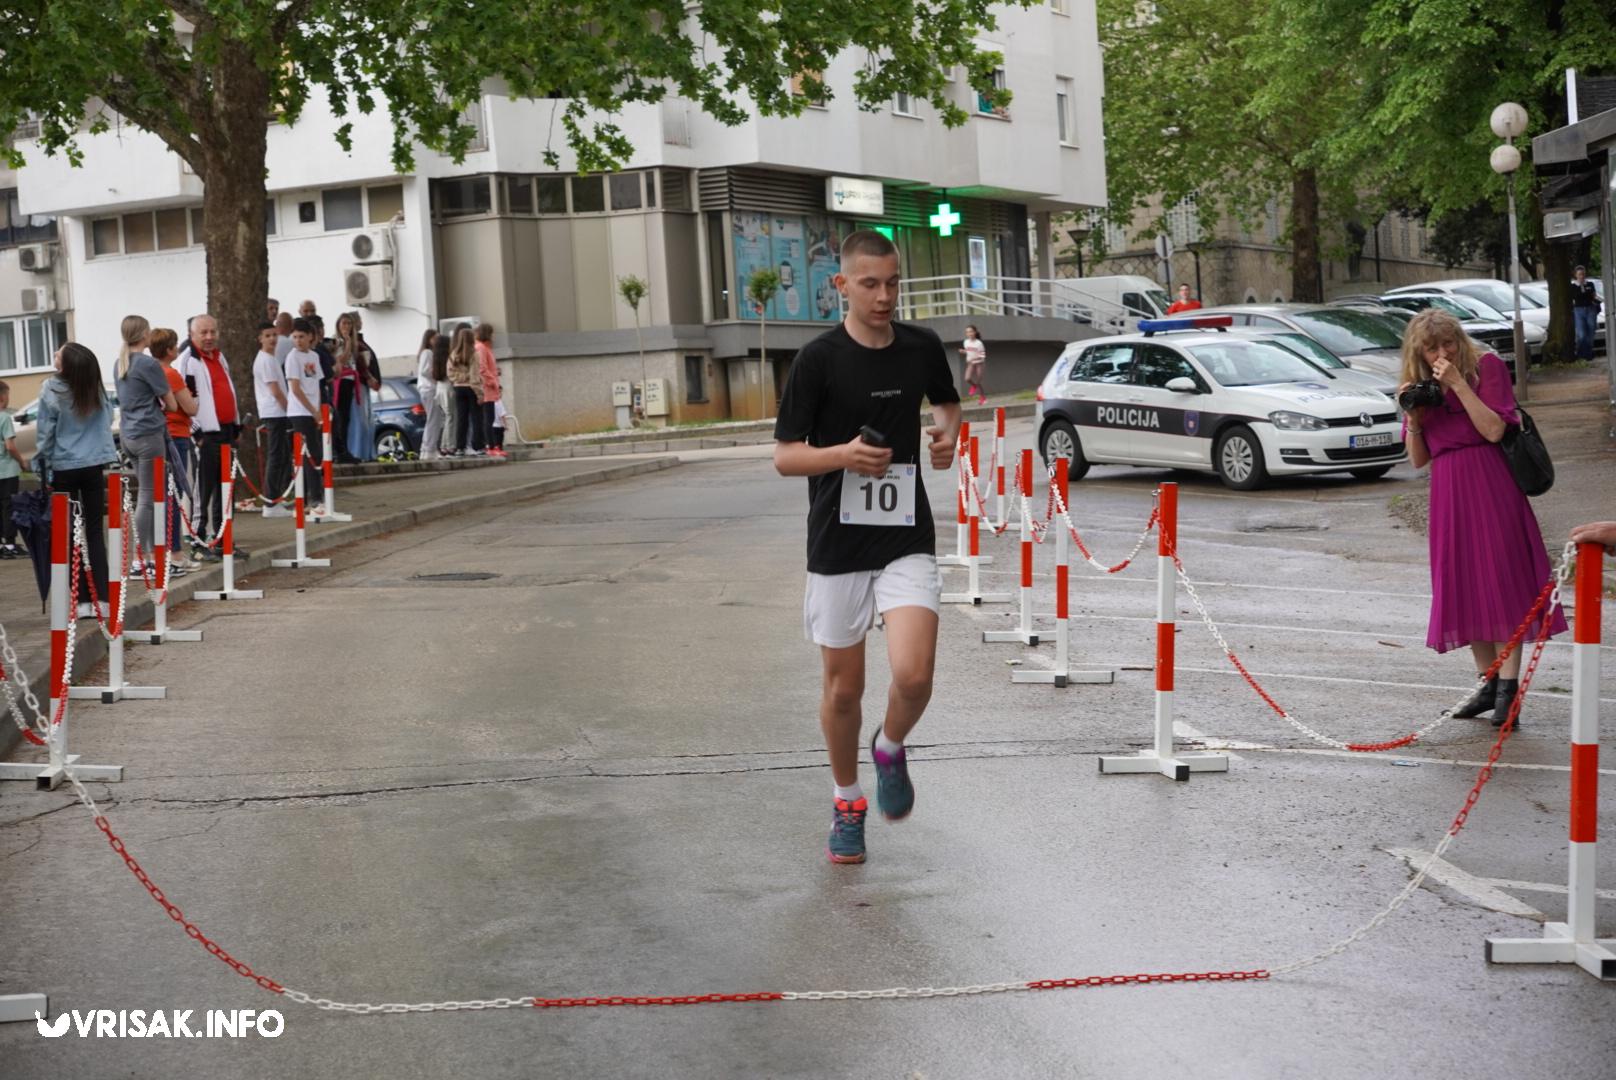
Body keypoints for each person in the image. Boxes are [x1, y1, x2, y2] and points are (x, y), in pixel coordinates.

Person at [772, 228, 961, 865]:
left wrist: (944, 438)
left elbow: (947, 405)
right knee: (844, 689)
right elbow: (785, 457)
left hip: (906, 532)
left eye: (893, 283)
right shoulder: (818, 360)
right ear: (841, 285)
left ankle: (890, 747)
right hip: (836, 540)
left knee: (913, 675)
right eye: (870, 284)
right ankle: (847, 799)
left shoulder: (921, 347)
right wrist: (843, 455)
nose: (884, 297)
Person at [1400, 308, 1566, 728]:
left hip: (1492, 483)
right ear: (1419, 352)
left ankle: (1508, 694)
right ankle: (1485, 686)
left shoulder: (1486, 368)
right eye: (1433, 347)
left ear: (1459, 339)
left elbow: (1494, 430)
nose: (1443, 352)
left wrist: (1458, 384)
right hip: (1449, 490)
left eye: (1448, 343)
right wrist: (1414, 418)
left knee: (1501, 579)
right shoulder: (1421, 388)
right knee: (1466, 584)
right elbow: (1419, 460)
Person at [34, 343, 119, 611]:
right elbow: (107, 418)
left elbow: (46, 432)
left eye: (59, 353)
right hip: (93, 465)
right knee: (94, 532)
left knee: (70, 533)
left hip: (63, 468)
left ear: (65, 364)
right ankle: (103, 599)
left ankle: (80, 601)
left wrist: (43, 467)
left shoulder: (51, 388)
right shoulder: (93, 386)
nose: (55, 355)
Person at [114, 315, 183, 577]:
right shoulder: (147, 364)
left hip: (129, 434)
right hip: (149, 434)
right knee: (148, 497)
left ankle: (146, 556)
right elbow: (172, 404)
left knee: (145, 495)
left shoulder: (118, 363)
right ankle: (144, 558)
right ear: (144, 335)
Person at [175, 313, 240, 560]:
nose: (209, 337)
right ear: (192, 335)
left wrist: (235, 425)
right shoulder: (188, 361)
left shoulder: (219, 357)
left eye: (213, 331)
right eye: (203, 332)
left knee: (226, 490)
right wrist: (197, 433)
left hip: (225, 431)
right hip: (205, 435)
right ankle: (199, 542)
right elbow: (183, 401)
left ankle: (224, 540)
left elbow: (226, 390)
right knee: (204, 490)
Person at [149, 329, 199, 576]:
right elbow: (189, 407)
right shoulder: (171, 374)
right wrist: (197, 400)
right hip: (177, 435)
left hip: (155, 435)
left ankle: (158, 550)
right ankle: (176, 552)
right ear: (170, 349)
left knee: (158, 494)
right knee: (175, 494)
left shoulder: (149, 371)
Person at [282, 318, 325, 512]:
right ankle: (313, 497)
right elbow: (296, 389)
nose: (298, 341)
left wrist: (321, 409)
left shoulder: (314, 357)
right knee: (310, 454)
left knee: (314, 453)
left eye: (302, 337)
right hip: (301, 411)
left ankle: (310, 495)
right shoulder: (292, 358)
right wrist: (313, 411)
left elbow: (317, 383)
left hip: (313, 411)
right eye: (295, 337)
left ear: (310, 337)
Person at [252, 321, 293, 518]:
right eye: (267, 336)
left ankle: (278, 496)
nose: (272, 339)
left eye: (274, 335)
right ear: (260, 339)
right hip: (274, 412)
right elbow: (275, 391)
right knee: (276, 456)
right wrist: (289, 409)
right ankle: (270, 501)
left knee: (283, 455)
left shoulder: (271, 358)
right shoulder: (266, 361)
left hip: (277, 413)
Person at [332, 311, 380, 463]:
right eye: (344, 323)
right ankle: (340, 451)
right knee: (340, 416)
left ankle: (346, 450)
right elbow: (341, 359)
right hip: (341, 380)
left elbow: (357, 361)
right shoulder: (337, 341)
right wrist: (346, 342)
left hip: (352, 380)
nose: (346, 326)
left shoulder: (354, 343)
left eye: (349, 324)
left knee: (346, 418)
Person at [447, 325, 485, 456]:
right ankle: (478, 446)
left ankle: (460, 447)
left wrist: (459, 378)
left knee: (461, 418)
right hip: (470, 388)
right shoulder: (473, 354)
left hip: (458, 388)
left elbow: (450, 374)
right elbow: (475, 376)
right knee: (476, 418)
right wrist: (479, 393)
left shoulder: (453, 354)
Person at [0, 379, 24, 560]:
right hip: (7, 470)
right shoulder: (4, 418)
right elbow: (10, 446)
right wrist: (22, 462)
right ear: (3, 397)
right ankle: (10, 543)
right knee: (9, 506)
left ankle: (1, 544)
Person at [474, 322, 506, 458]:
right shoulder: (481, 348)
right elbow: (482, 368)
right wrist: (493, 381)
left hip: (489, 387)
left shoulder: (482, 347)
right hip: (487, 388)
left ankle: (492, 445)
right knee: (488, 418)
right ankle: (491, 446)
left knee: (490, 418)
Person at [416, 329, 445, 461]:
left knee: (433, 419)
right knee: (434, 420)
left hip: (427, 389)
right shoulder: (427, 353)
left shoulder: (427, 353)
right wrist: (436, 374)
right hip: (429, 389)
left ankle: (426, 448)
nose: (437, 341)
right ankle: (429, 449)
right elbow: (424, 371)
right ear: (429, 339)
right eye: (435, 338)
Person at [1571, 265, 1600, 361]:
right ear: (1576, 275)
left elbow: (1593, 296)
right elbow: (1573, 298)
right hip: (1579, 310)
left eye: (1583, 274)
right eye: (1579, 274)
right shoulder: (1573, 286)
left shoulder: (1590, 284)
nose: (1581, 276)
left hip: (1590, 309)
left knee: (1591, 331)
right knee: (1582, 333)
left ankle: (1588, 353)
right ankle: (1581, 353)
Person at [958, 324, 987, 405]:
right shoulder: (966, 342)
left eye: (971, 331)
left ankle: (982, 398)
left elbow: (983, 355)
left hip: (979, 363)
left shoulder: (979, 343)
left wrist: (974, 359)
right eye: (967, 332)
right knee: (967, 378)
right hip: (971, 363)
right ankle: (973, 386)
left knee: (978, 381)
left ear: (975, 332)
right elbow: (968, 351)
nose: (969, 333)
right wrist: (963, 351)